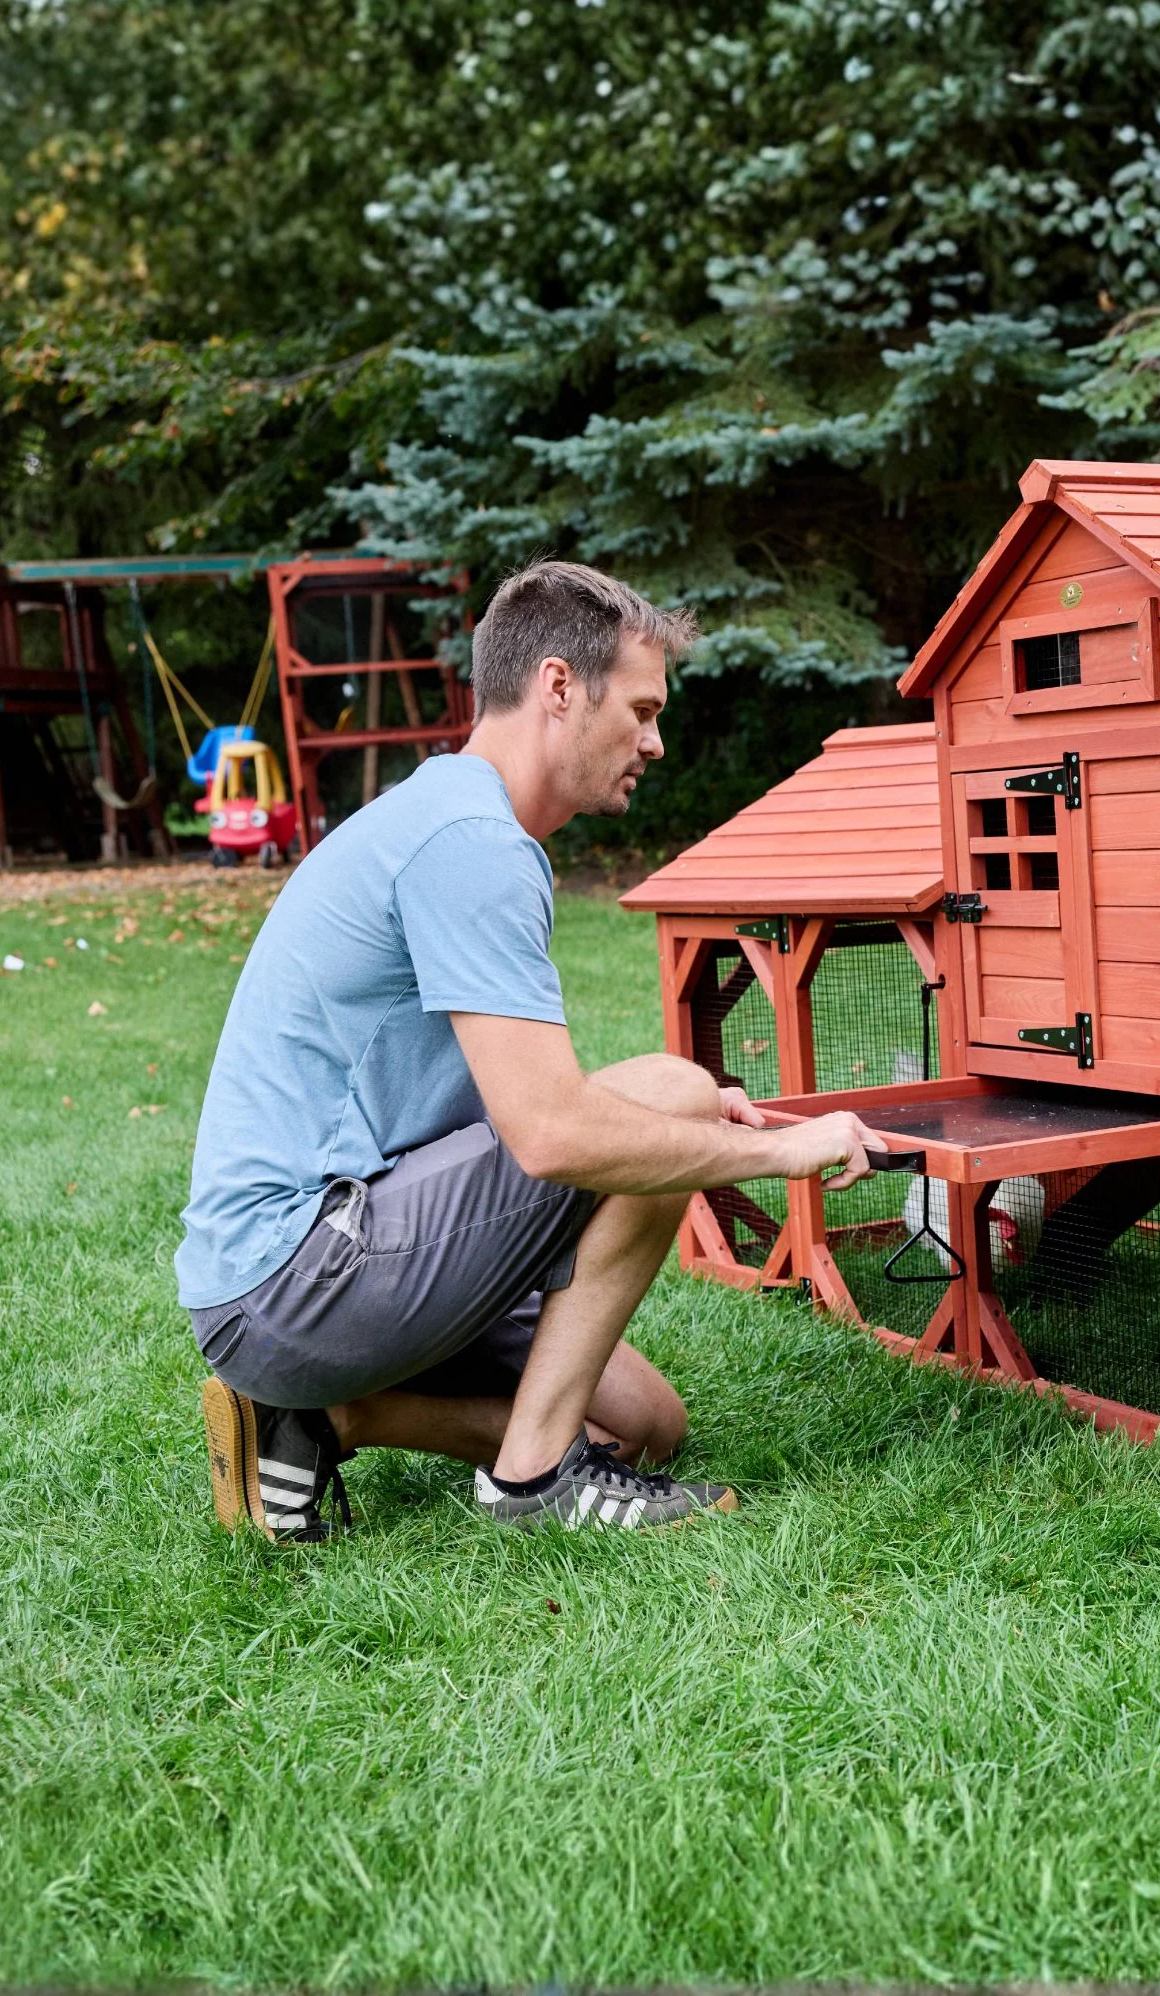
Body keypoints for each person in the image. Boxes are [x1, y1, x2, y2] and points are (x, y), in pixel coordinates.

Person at [180, 562, 886, 1540]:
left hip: (311, 1264)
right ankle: (534, 1480)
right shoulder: (470, 842)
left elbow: (512, 1107)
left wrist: (657, 1125)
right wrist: (775, 1151)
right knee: (673, 1088)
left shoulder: (452, 818)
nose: (654, 740)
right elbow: (550, 1133)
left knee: (641, 1425)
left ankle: (330, 1415)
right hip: (293, 1273)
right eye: (640, 710)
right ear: (559, 685)